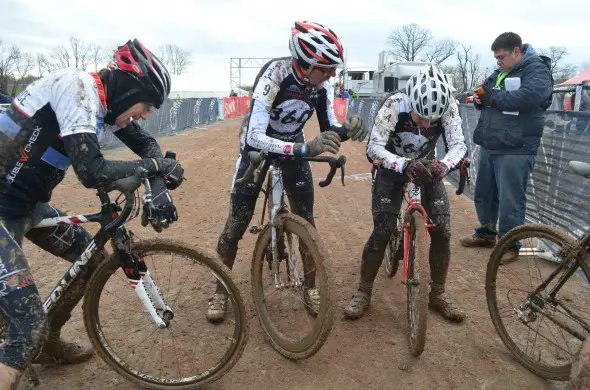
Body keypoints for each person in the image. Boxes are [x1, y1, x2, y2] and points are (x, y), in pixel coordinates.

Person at [0, 38, 184, 388]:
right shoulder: (78, 89)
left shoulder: (103, 104)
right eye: (146, 106)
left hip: (26, 204)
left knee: (92, 260)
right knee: (25, 331)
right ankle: (32, 341)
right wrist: (152, 167)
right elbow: (91, 171)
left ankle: (49, 344)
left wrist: (156, 177)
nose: (145, 115)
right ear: (130, 90)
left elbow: (146, 145)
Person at [207, 21, 368, 322]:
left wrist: (345, 131)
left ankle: (309, 286)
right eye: (327, 68)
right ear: (306, 65)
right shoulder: (275, 75)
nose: (332, 74)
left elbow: (328, 128)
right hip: (258, 149)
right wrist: (302, 149)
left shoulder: (322, 87)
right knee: (236, 224)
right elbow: (255, 136)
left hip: (293, 146)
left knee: (306, 220)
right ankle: (220, 289)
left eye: (333, 68)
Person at [344, 65, 468, 322]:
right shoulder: (394, 105)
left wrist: (443, 165)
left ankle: (438, 293)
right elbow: (374, 148)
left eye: (432, 120)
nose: (426, 124)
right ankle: (363, 291)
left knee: (442, 229)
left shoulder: (448, 105)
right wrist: (403, 164)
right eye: (421, 117)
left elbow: (458, 145)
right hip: (392, 166)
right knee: (384, 228)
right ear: (411, 101)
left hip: (426, 166)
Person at [459, 32, 553, 264]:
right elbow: (487, 92)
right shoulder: (499, 72)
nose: (498, 62)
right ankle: (487, 233)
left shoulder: (537, 70)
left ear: (517, 52)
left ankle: (510, 244)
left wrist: (493, 99)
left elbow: (529, 97)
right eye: (496, 58)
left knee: (511, 199)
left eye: (501, 57)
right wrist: (481, 99)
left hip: (517, 147)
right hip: (492, 143)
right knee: (485, 193)